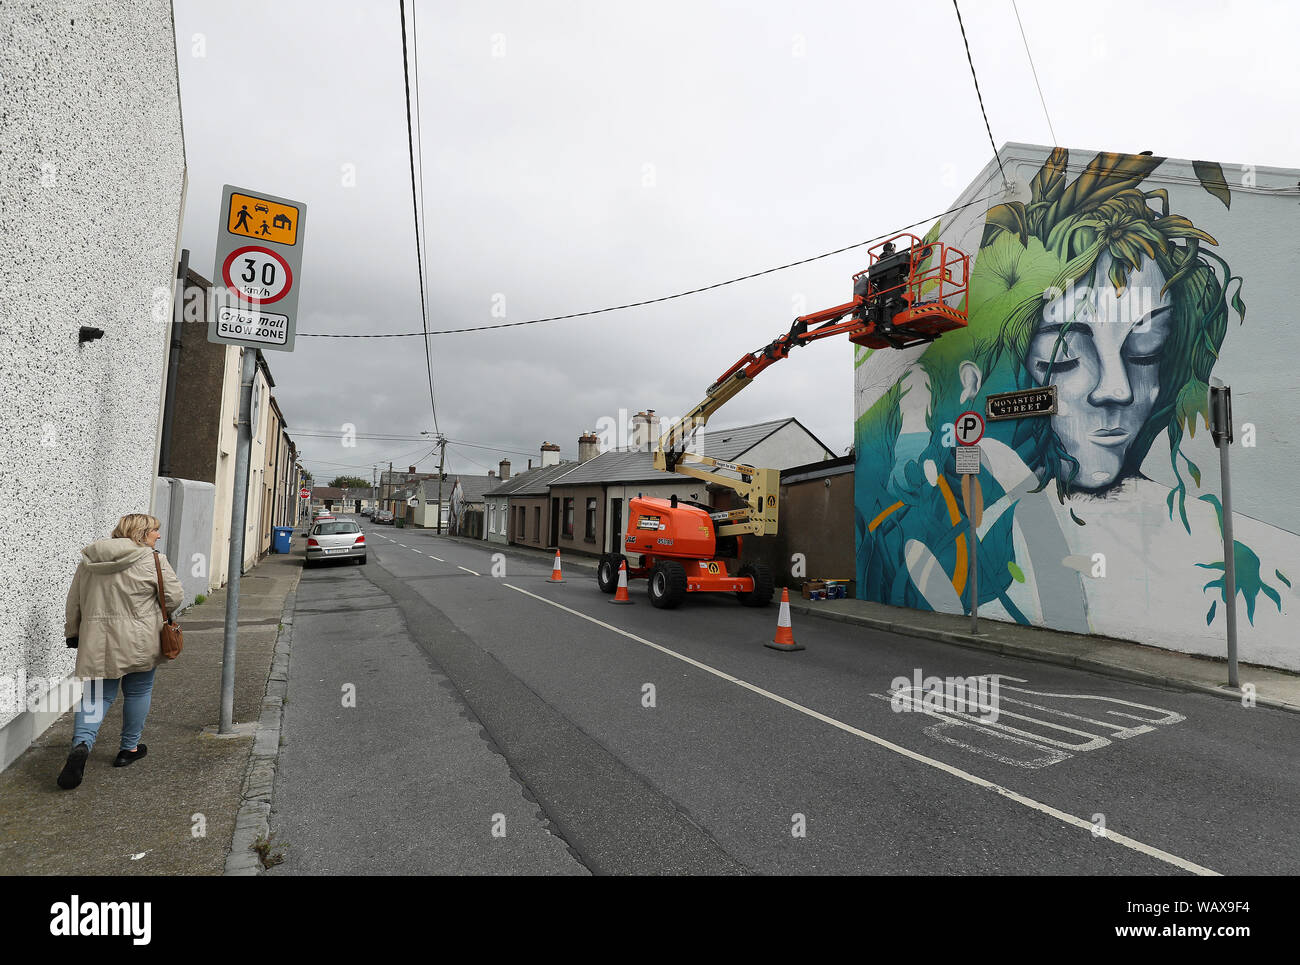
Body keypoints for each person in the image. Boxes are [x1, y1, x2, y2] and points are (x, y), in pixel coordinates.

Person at [58, 514, 183, 790]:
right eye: (154, 531)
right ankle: (129, 749)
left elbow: (74, 601)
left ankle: (81, 745)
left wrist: (73, 633)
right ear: (141, 533)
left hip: (98, 641)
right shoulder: (152, 560)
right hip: (140, 641)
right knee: (138, 691)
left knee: (96, 696)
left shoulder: (90, 560)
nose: (158, 536)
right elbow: (174, 597)